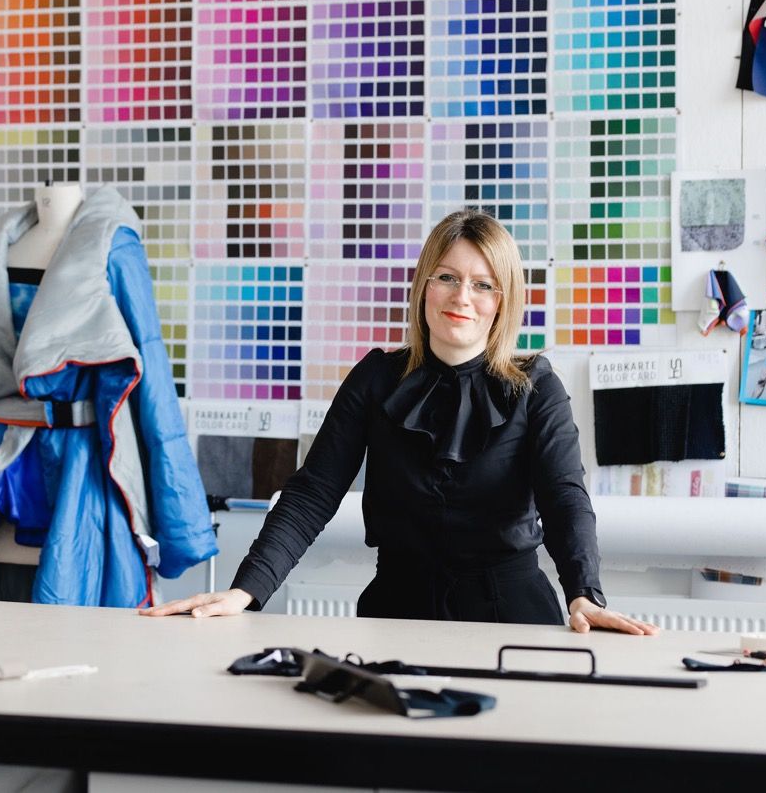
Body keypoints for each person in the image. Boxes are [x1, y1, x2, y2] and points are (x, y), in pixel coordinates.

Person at [143, 210, 657, 635]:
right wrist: (246, 591)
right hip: (395, 615)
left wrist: (584, 593)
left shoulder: (536, 387)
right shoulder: (376, 378)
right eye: (449, 278)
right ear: (424, 285)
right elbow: (311, 494)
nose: (463, 298)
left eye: (484, 285)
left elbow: (565, 498)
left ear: (503, 302)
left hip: (512, 618)